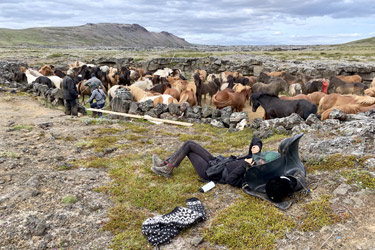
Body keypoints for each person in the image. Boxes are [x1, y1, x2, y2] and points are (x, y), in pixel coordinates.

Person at [151, 136, 280, 188]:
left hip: (210, 172)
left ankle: (167, 167)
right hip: (216, 162)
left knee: (189, 150)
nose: (260, 158)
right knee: (189, 143)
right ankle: (165, 165)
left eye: (262, 160)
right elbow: (255, 138)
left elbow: (231, 180)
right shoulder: (255, 159)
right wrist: (257, 145)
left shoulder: (253, 176)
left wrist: (245, 164)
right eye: (262, 157)